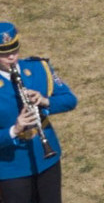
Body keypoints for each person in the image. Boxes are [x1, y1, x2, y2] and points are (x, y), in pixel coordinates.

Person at [0, 21, 78, 203]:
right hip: (11, 167)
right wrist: (15, 129)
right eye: (4, 54)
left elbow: (70, 100)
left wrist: (44, 101)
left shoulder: (38, 68)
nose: (12, 57)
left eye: (14, 50)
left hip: (46, 159)